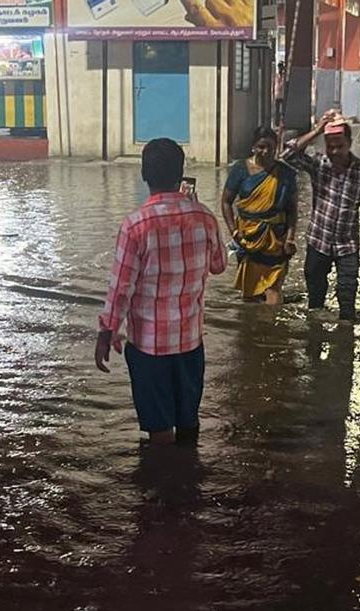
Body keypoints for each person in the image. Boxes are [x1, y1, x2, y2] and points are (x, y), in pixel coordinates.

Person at [96, 138, 227, 447]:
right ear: (181, 174)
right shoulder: (205, 217)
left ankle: (163, 487)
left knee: (159, 430)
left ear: (144, 174)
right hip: (190, 343)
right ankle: (188, 482)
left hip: (149, 348)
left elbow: (120, 289)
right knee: (188, 422)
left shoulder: (135, 226)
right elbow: (219, 266)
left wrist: (107, 333)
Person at [284, 110, 360, 322]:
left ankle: (345, 343)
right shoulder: (318, 164)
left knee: (347, 299)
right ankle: (314, 343)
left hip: (347, 245)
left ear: (349, 143)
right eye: (330, 146)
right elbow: (288, 154)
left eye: (340, 145)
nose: (335, 151)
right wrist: (318, 129)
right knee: (315, 301)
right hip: (318, 241)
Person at [220, 127, 299, 305]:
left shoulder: (285, 174)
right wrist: (234, 231)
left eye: (271, 147)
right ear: (253, 147)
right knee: (250, 290)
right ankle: (250, 330)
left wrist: (290, 238)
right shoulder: (240, 170)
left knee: (274, 286)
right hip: (248, 238)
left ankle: (273, 329)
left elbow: (293, 209)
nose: (266, 152)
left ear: (277, 147)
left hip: (277, 239)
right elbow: (226, 202)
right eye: (261, 147)